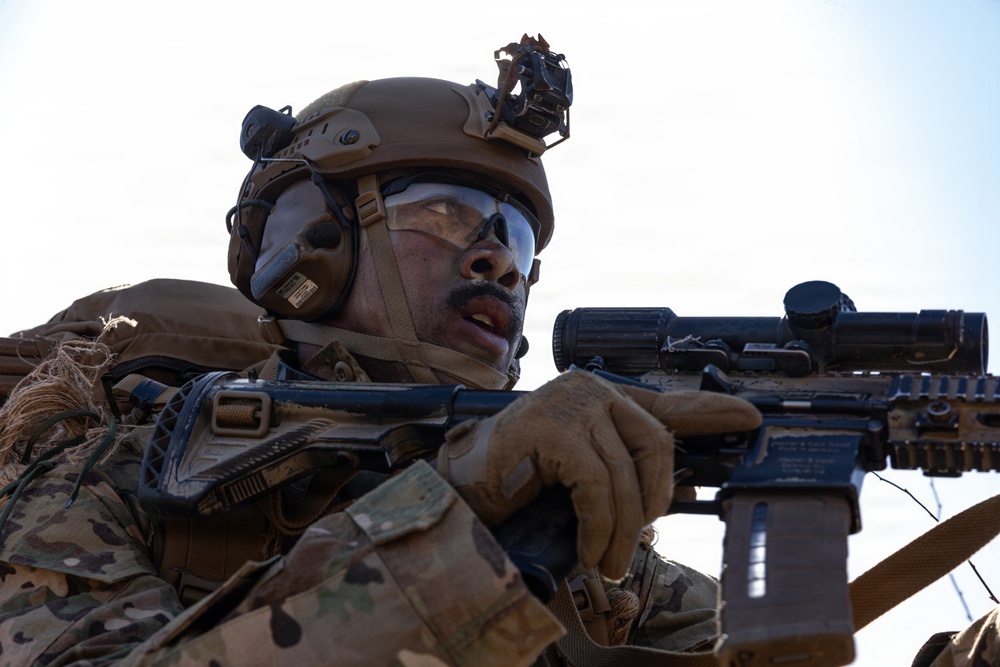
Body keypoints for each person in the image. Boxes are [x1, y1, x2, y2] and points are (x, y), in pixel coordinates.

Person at [0, 35, 994, 667]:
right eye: (444, 214)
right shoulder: (118, 459)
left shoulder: (596, 548)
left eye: (513, 240)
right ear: (313, 248)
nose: (496, 262)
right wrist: (457, 508)